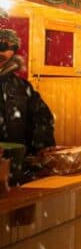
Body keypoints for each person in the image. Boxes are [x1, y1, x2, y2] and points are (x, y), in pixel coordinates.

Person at [0, 28, 55, 156]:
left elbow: (42, 117)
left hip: (17, 162)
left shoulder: (22, 86)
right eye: (1, 45)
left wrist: (42, 145)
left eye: (11, 47)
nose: (4, 52)